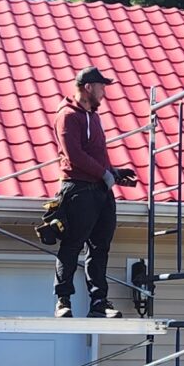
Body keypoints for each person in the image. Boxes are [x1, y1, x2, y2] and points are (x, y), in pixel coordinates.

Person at [55, 66, 136, 316]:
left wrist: (115, 172)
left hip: (100, 192)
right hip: (78, 189)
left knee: (100, 247)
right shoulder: (68, 115)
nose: (104, 93)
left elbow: (95, 156)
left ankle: (99, 303)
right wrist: (104, 174)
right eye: (102, 87)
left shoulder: (94, 117)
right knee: (72, 244)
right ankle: (63, 301)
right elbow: (75, 155)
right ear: (88, 87)